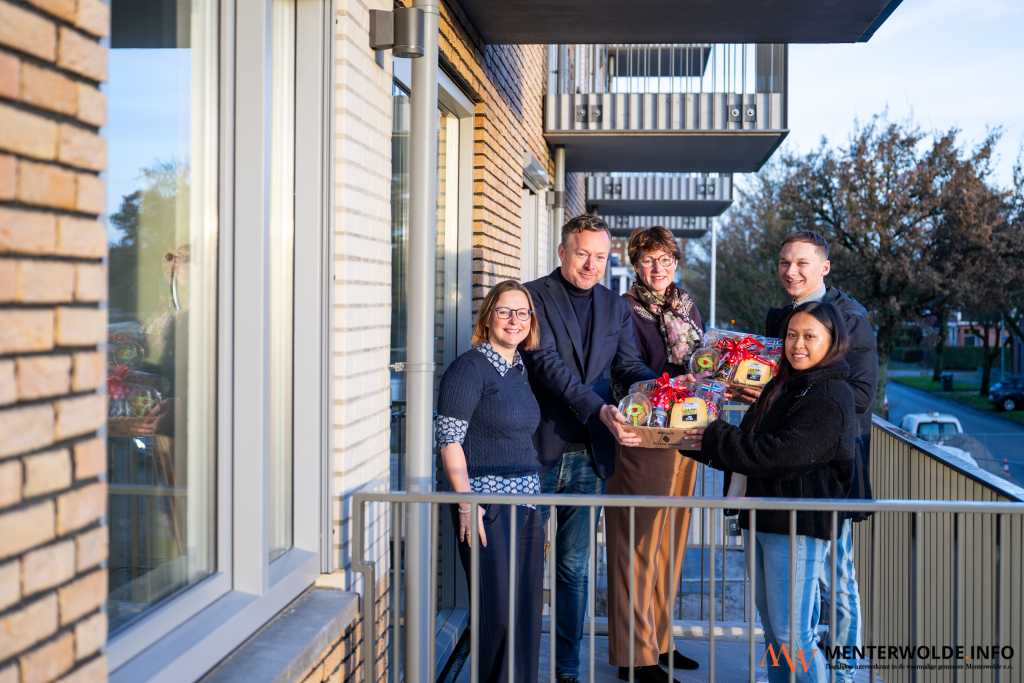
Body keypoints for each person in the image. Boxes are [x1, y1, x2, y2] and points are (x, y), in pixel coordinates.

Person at [731, 230, 877, 681]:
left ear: (824, 268)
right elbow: (784, 382)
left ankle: (845, 673)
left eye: (801, 264)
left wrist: (788, 396)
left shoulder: (849, 318)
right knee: (789, 618)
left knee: (838, 580)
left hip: (826, 473)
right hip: (783, 473)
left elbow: (857, 396)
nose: (790, 271)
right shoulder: (785, 316)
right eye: (783, 263)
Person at [686, 301, 857, 683]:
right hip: (764, 518)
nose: (797, 344)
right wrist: (679, 433)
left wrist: (711, 433)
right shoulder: (786, 385)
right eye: (791, 335)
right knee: (774, 632)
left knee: (792, 635)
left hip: (796, 526)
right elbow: (744, 444)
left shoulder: (830, 396)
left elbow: (776, 454)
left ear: (833, 342)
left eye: (810, 336)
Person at [522, 214, 657, 683]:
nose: (591, 264)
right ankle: (518, 669)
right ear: (562, 252)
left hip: (590, 456)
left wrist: (667, 390)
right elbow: (545, 364)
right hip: (537, 450)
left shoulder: (614, 306)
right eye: (582, 254)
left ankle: (567, 672)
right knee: (523, 568)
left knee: (573, 572)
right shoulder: (533, 296)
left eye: (600, 257)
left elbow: (628, 365)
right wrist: (599, 408)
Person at [606, 226, 702, 682]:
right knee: (638, 543)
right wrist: (673, 388)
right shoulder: (622, 309)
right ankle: (633, 655)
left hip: (686, 433)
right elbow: (627, 366)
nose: (658, 268)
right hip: (643, 432)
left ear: (676, 262)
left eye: (665, 259)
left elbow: (700, 359)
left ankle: (660, 642)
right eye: (648, 260)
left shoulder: (686, 305)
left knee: (670, 544)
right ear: (634, 264)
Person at [436, 280, 545, 683]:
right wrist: (466, 504)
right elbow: (449, 440)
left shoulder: (519, 369)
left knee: (525, 615)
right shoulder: (470, 368)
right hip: (487, 509)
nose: (514, 320)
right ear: (488, 318)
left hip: (528, 506)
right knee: (496, 618)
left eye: (522, 312)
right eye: (504, 311)